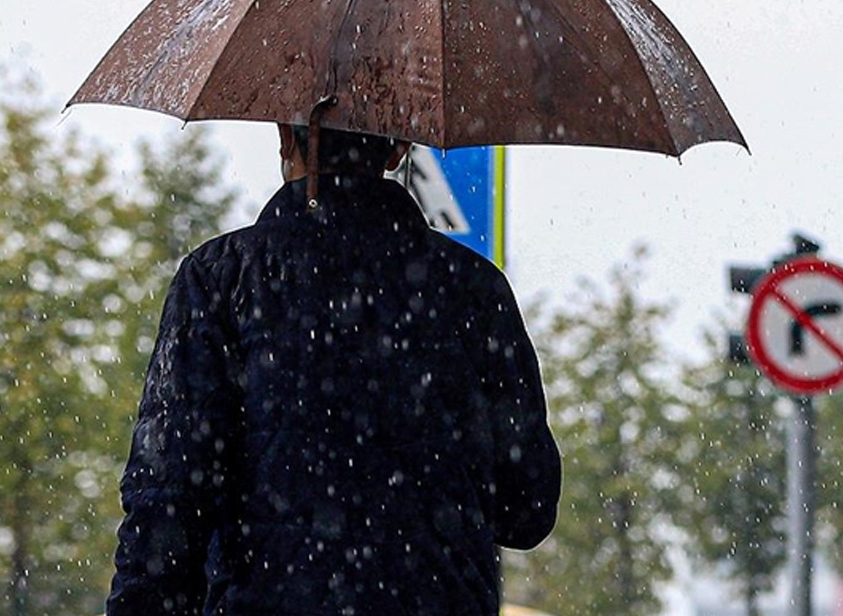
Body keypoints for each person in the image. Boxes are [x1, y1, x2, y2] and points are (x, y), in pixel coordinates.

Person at [106, 124, 561, 616]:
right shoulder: (473, 291)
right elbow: (526, 510)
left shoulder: (221, 279)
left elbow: (168, 500)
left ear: (285, 137)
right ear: (400, 148)